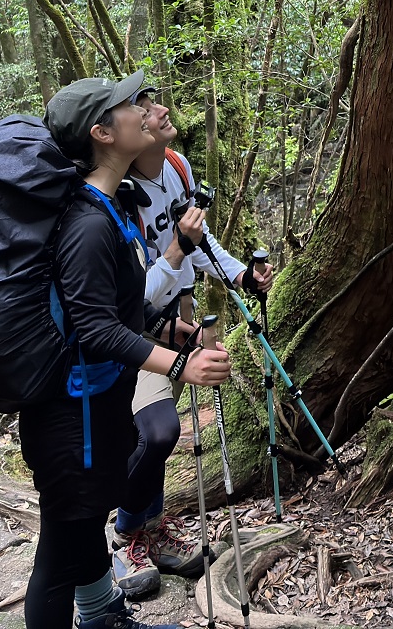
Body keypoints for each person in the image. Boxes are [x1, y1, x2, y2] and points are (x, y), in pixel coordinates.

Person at [27, 72, 231, 629]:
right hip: (69, 415)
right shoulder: (88, 223)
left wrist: (172, 332)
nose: (144, 110)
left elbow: (119, 311)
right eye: (128, 105)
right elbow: (95, 329)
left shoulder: (110, 208)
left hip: (93, 404)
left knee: (83, 526)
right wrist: (181, 365)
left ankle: (103, 619)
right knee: (58, 554)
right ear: (102, 133)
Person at [108, 91, 274, 596]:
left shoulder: (176, 167)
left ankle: (152, 531)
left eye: (154, 104)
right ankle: (123, 536)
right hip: (133, 330)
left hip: (176, 317)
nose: (160, 111)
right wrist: (179, 247)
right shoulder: (119, 192)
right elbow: (131, 295)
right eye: (146, 109)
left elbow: (198, 240)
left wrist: (240, 276)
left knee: (156, 434)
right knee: (156, 432)